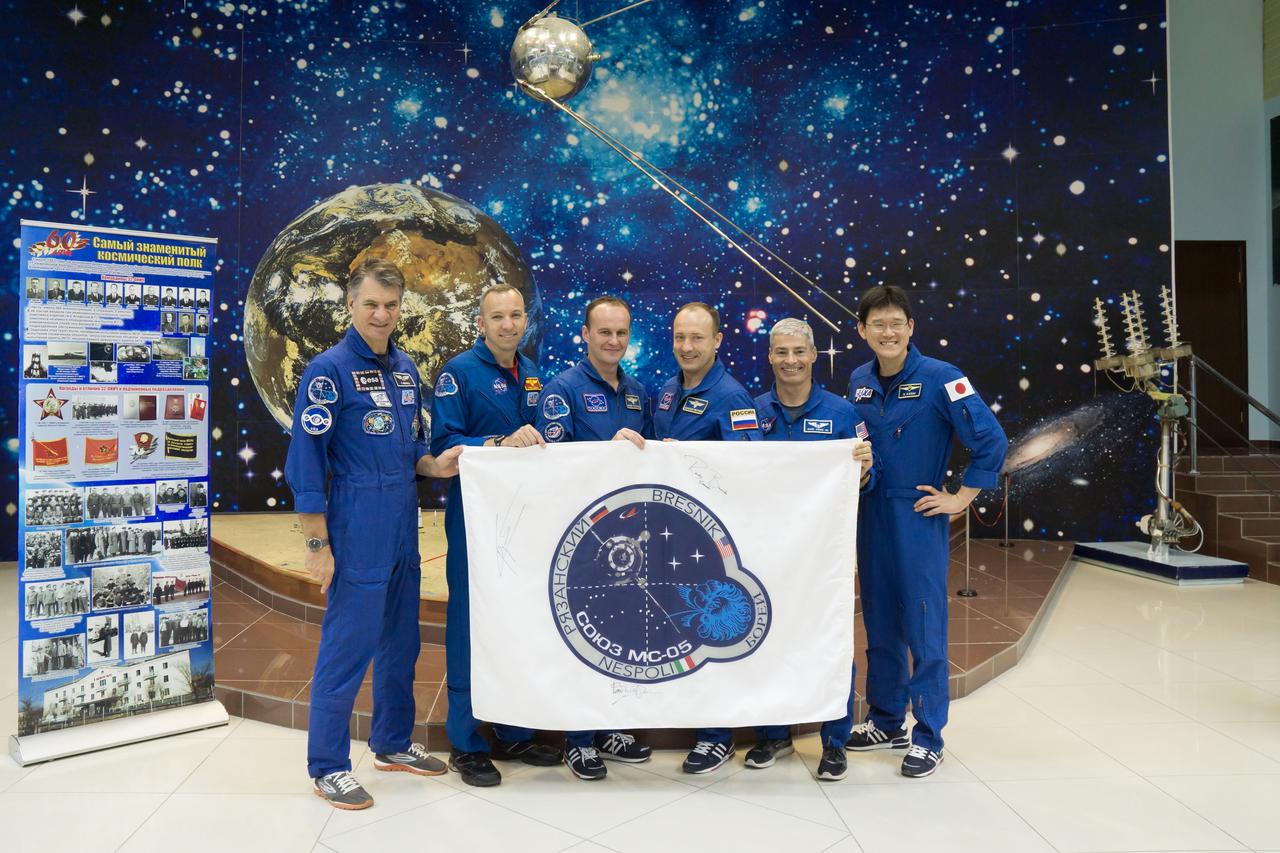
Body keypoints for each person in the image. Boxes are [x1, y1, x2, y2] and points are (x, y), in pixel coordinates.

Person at [285, 259, 463, 810]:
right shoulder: (327, 371)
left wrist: (437, 465)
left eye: (390, 305)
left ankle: (391, 741)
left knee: (401, 642)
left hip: (402, 523)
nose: (381, 315)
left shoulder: (406, 370)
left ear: (400, 308)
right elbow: (306, 463)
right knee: (348, 644)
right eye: (370, 305)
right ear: (350, 306)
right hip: (356, 520)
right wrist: (317, 546)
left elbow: (412, 449)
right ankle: (328, 765)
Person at [846, 285, 1008, 778]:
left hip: (918, 517)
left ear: (911, 327)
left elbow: (991, 441)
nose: (888, 332)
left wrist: (960, 498)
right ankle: (887, 718)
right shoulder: (858, 381)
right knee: (879, 620)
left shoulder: (944, 378)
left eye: (897, 322)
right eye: (878, 324)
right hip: (870, 514)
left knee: (922, 623)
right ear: (862, 331)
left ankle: (929, 733)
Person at [429, 282, 561, 788]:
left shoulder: (532, 374)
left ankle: (515, 729)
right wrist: (498, 443)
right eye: (497, 317)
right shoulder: (458, 374)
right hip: (475, 520)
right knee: (469, 622)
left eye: (516, 315)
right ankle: (465, 740)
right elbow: (444, 443)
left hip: (525, 522)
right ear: (480, 323)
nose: (508, 325)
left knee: (518, 619)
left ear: (525, 321)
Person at [745, 318, 875, 781]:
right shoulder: (749, 412)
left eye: (799, 351)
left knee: (832, 643)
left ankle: (834, 740)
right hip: (765, 556)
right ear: (770, 357)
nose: (791, 361)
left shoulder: (841, 415)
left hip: (823, 559)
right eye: (781, 352)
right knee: (767, 639)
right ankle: (773, 734)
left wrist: (862, 468)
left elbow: (867, 479)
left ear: (814, 355)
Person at [533, 295, 654, 780]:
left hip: (627, 536)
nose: (613, 341)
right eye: (603, 332)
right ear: (584, 334)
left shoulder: (638, 392)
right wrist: (608, 451)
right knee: (580, 638)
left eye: (621, 332)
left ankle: (611, 726)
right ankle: (578, 739)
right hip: (580, 536)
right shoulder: (561, 390)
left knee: (620, 633)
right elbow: (553, 461)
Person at [652, 302, 761, 774]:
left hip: (711, 541)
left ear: (718, 341)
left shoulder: (732, 396)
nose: (687, 347)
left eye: (697, 338)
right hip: (670, 536)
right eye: (680, 337)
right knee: (678, 632)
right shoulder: (665, 392)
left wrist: (689, 459)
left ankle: (717, 735)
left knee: (710, 635)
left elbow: (748, 468)